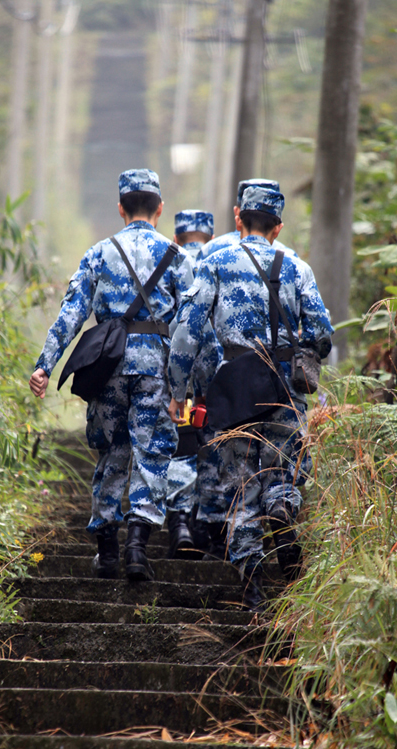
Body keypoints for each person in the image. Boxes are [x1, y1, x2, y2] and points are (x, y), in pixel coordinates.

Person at [167, 184, 333, 610]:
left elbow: (187, 330)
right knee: (283, 470)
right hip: (284, 388)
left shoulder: (215, 261)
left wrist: (179, 390)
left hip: (234, 386)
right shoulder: (296, 267)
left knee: (239, 484)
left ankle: (253, 588)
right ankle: (280, 506)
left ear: (238, 218)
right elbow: (321, 334)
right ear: (278, 227)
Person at [29, 168, 194, 582]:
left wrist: (45, 365)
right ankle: (137, 548)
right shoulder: (178, 258)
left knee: (113, 453)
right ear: (160, 210)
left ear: (121, 209)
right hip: (155, 368)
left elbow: (72, 313)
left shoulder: (99, 253)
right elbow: (192, 328)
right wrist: (187, 384)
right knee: (152, 453)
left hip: (109, 367)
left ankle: (106, 549)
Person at [165, 209, 224, 558]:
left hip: (176, 368)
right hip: (214, 373)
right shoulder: (219, 260)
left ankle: (180, 524)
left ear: (177, 236)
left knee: (180, 446)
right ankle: (208, 526)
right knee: (212, 446)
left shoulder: (171, 260)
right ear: (211, 235)